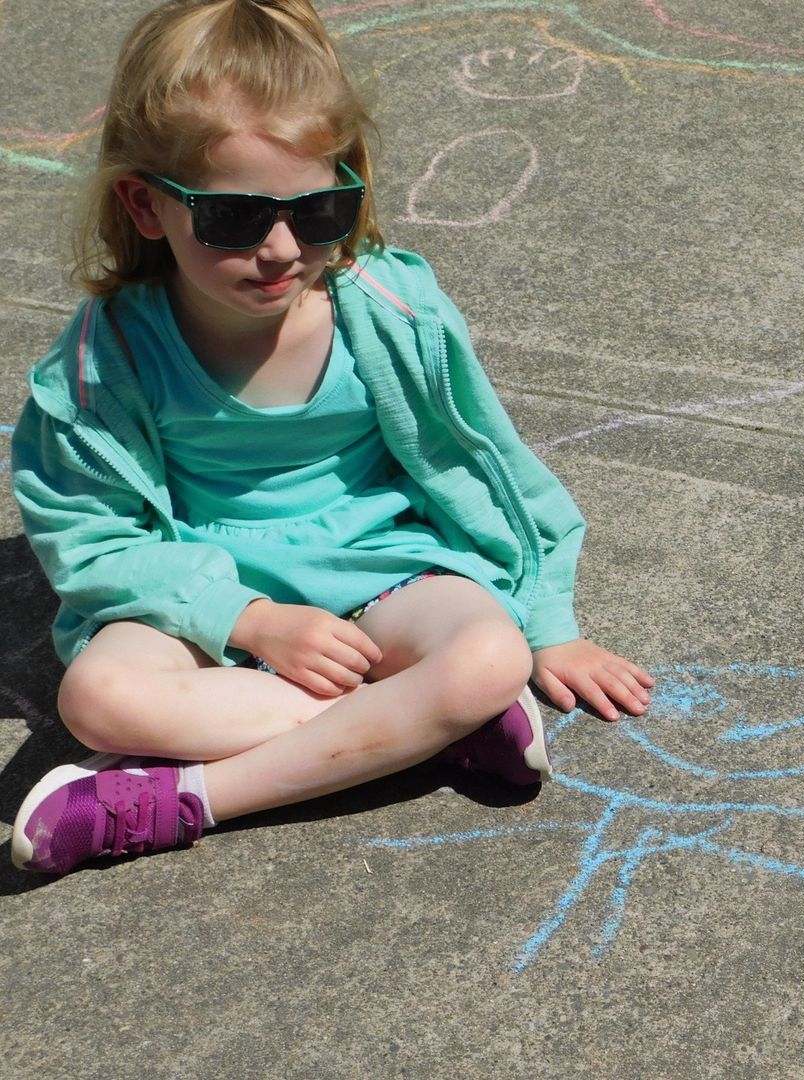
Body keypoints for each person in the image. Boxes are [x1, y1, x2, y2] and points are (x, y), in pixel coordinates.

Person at [9, 0, 653, 875]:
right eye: (234, 218)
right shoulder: (102, 361)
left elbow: (490, 463)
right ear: (146, 204)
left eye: (318, 212)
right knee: (97, 696)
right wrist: (251, 618)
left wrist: (548, 624)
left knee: (490, 654)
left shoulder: (390, 313)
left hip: (385, 564)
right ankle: (427, 730)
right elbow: (92, 540)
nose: (281, 250)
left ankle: (178, 802)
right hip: (206, 584)